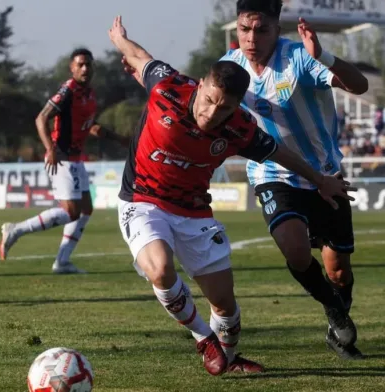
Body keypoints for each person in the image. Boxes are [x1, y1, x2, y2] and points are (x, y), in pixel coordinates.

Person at [108, 15, 355, 375]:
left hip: (193, 212)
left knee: (225, 306)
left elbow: (280, 153)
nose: (212, 113)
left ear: (238, 105)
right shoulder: (168, 87)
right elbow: (141, 56)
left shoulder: (240, 128)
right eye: (208, 100)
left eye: (224, 108)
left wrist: (320, 179)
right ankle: (203, 340)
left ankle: (229, 356)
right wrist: (119, 40)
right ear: (201, 85)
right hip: (142, 201)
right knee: (161, 269)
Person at [220, 0, 370, 360]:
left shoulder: (298, 58)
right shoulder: (231, 67)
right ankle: (334, 310)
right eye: (244, 29)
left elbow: (360, 86)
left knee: (338, 271)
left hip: (325, 176)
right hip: (273, 174)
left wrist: (324, 56)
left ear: (277, 28)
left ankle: (337, 324)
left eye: (261, 30)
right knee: (295, 247)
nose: (251, 38)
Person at [0, 48, 128, 274]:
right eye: (80, 64)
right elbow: (41, 118)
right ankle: (15, 230)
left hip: (76, 159)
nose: (85, 68)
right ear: (72, 68)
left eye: (88, 64)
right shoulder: (68, 90)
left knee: (85, 209)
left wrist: (119, 139)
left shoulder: (90, 94)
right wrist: (50, 148)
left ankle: (62, 261)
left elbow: (91, 126)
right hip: (62, 158)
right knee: (71, 211)